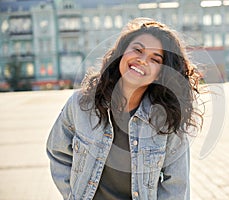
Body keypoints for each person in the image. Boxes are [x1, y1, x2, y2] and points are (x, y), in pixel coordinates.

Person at [46, 17, 203, 200]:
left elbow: (177, 185)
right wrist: (73, 195)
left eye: (155, 59)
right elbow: (57, 152)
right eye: (137, 50)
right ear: (121, 52)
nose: (143, 60)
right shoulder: (81, 104)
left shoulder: (168, 119)